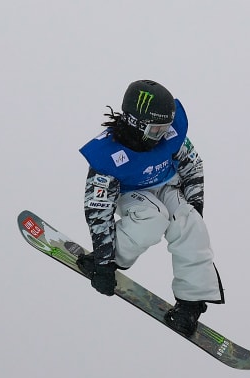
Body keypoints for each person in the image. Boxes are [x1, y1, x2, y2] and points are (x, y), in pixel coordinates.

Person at [76, 79, 223, 337]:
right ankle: (115, 257)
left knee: (189, 224)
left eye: (165, 129)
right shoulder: (109, 157)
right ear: (136, 124)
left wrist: (194, 203)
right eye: (155, 130)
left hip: (167, 185)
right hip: (130, 192)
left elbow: (193, 165)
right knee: (153, 218)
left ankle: (190, 303)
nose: (161, 137)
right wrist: (103, 260)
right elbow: (98, 207)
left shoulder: (171, 138)